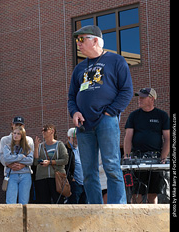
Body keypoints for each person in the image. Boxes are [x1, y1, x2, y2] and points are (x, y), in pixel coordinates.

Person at [68, 25, 133, 204]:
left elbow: (127, 91)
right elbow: (71, 97)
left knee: (111, 166)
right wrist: (74, 112)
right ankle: (94, 210)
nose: (78, 44)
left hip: (107, 121)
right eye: (77, 41)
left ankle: (117, 209)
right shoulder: (79, 68)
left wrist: (109, 113)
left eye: (81, 40)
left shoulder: (116, 60)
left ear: (95, 40)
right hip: (83, 125)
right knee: (88, 172)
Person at [124, 88, 170, 204]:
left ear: (152, 99)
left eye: (143, 97)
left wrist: (163, 157)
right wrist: (127, 157)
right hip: (136, 158)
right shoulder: (134, 115)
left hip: (155, 158)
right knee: (136, 192)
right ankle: (136, 219)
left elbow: (168, 138)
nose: (139, 100)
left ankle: (152, 218)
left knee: (152, 192)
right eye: (139, 97)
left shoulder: (162, 115)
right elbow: (128, 137)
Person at [33, 124, 68, 204]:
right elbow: (35, 162)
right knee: (43, 204)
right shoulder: (40, 146)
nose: (43, 132)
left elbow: (65, 160)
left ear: (52, 131)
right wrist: (36, 148)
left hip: (56, 178)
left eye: (45, 130)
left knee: (58, 202)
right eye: (42, 130)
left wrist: (50, 162)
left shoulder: (59, 144)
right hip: (41, 178)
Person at [3, 126, 33, 204]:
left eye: (18, 134)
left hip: (25, 175)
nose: (16, 135)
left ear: (22, 136)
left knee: (24, 201)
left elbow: (30, 160)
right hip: (12, 175)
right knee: (10, 201)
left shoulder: (27, 148)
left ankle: (23, 216)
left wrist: (17, 161)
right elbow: (7, 158)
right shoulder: (7, 146)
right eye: (14, 133)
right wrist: (20, 157)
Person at [65, 128, 87, 204]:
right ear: (68, 138)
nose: (77, 140)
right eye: (74, 138)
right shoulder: (66, 149)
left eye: (78, 137)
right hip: (74, 183)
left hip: (84, 183)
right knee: (73, 206)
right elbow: (65, 166)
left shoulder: (81, 148)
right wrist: (71, 178)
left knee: (84, 207)